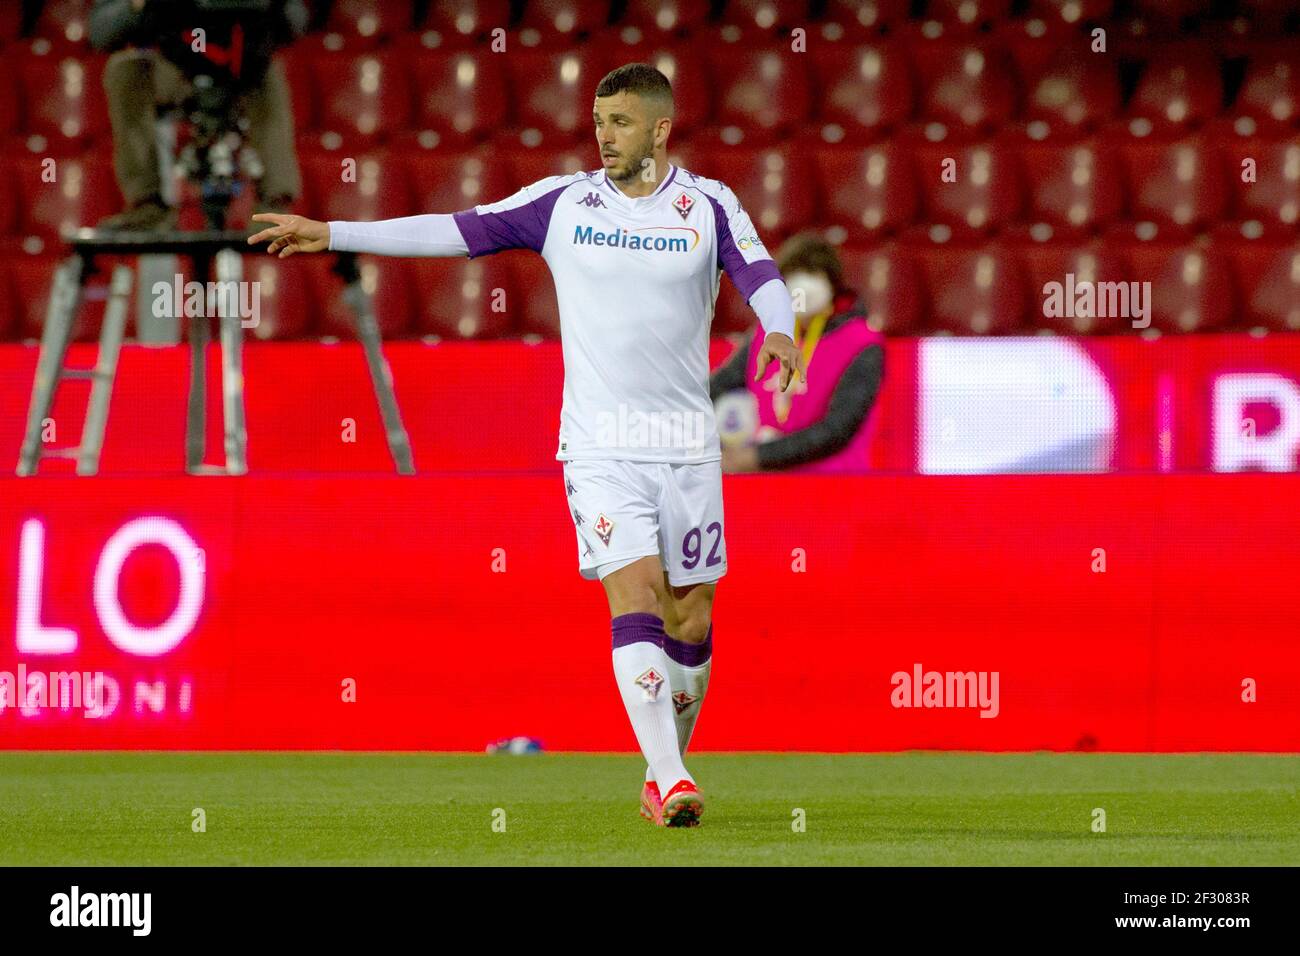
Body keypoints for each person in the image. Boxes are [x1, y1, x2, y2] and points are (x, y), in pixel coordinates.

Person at [248, 63, 803, 828]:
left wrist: (779, 329)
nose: (604, 135)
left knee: (692, 616)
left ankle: (661, 768)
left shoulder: (708, 205)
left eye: (621, 122)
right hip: (600, 446)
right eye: (599, 120)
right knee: (635, 593)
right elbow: (455, 230)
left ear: (661, 129)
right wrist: (335, 231)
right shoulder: (563, 204)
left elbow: (763, 273)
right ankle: (673, 777)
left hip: (688, 446)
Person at [90, 0, 307, 230]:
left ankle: (275, 206)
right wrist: (136, 6)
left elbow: (296, 21)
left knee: (267, 70)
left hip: (241, 68)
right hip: (176, 70)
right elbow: (102, 32)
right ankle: (147, 206)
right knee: (124, 68)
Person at [710, 232, 885, 473]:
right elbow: (717, 387)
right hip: (765, 485)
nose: (802, 286)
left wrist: (760, 456)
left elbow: (838, 429)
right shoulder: (766, 334)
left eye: (814, 274)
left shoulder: (862, 343)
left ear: (833, 285)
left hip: (835, 485)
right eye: (793, 275)